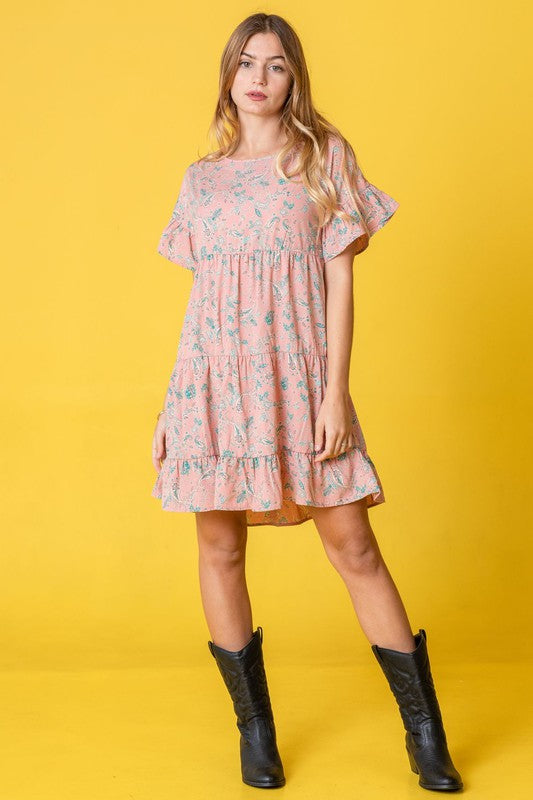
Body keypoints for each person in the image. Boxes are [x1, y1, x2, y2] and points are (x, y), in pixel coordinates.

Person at [151, 12, 463, 794]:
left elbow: (340, 282)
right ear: (227, 75)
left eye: (277, 65)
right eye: (246, 63)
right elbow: (204, 305)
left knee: (353, 547)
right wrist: (171, 405)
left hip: (299, 379)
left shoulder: (323, 158)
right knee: (219, 549)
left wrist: (334, 392)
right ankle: (254, 731)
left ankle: (424, 734)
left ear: (295, 79)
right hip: (214, 387)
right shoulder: (202, 179)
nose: (259, 77)